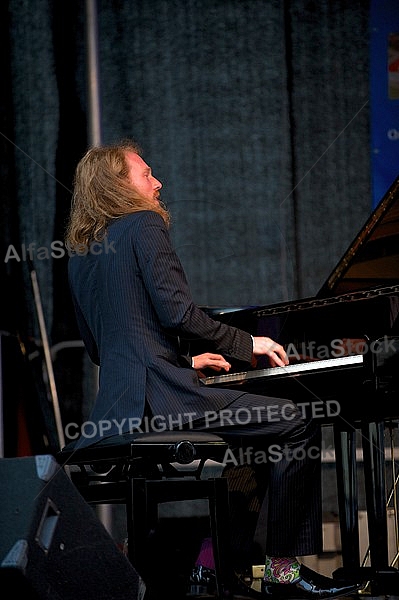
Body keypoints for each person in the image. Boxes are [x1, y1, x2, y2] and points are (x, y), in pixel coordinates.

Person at [64, 139, 363, 599]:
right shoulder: (143, 224)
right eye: (146, 173)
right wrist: (249, 342)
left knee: (252, 440)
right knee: (296, 421)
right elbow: (180, 314)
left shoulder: (82, 255)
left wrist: (184, 360)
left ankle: (214, 566)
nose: (158, 181)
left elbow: (103, 347)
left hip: (119, 412)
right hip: (163, 402)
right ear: (117, 184)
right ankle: (282, 573)